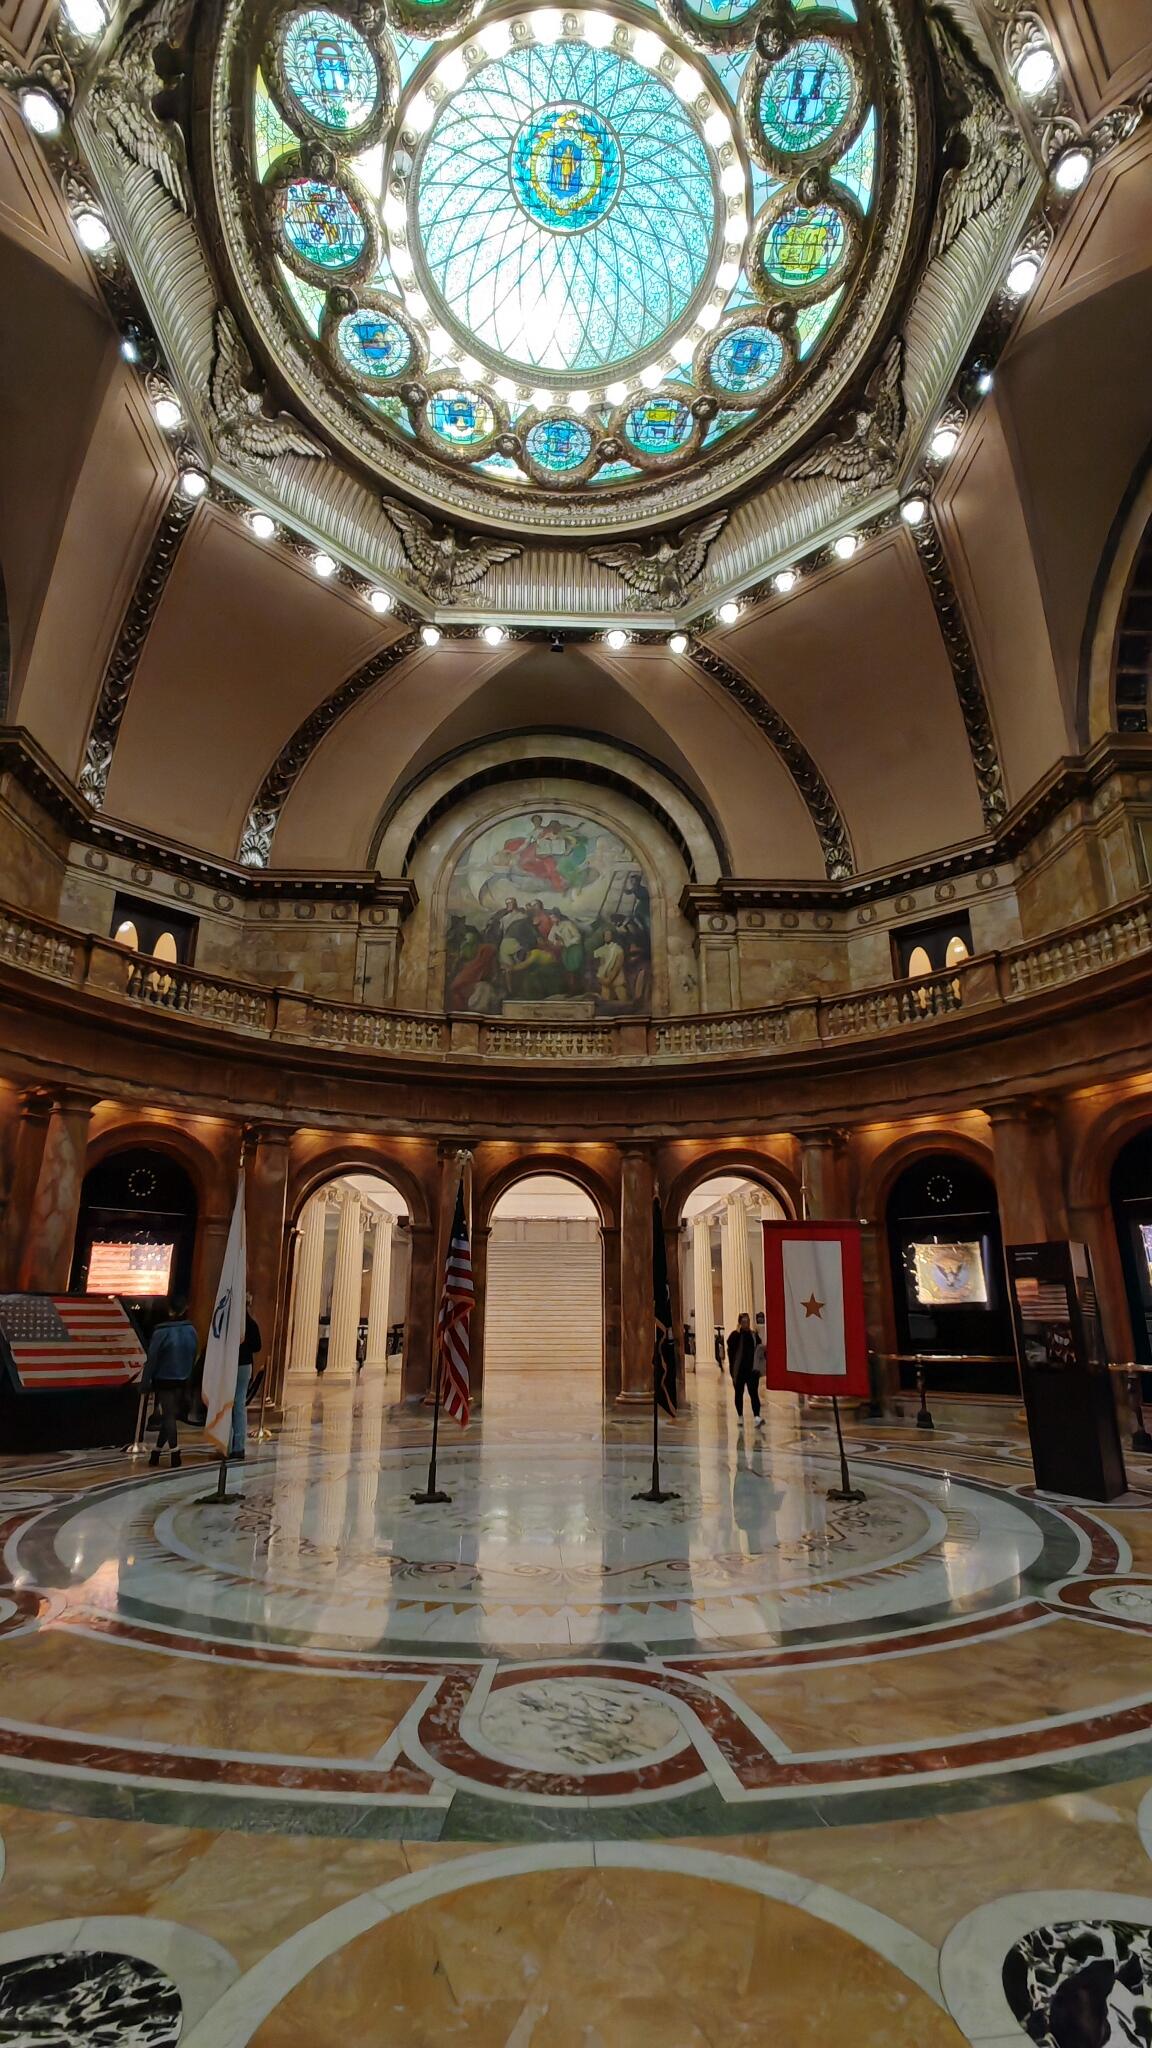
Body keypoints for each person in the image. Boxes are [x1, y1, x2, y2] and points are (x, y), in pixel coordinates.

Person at [142, 1297, 199, 1468]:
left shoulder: (161, 1332)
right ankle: (156, 1452)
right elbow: (193, 1354)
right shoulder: (191, 1330)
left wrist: (145, 1381)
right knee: (171, 1415)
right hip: (183, 1377)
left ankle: (175, 1451)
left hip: (164, 1378)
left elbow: (152, 1358)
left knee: (168, 1416)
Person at [229, 1294, 262, 1461]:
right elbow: (257, 1346)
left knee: (228, 1403)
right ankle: (239, 1446)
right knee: (240, 1404)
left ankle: (227, 1443)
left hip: (230, 1364)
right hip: (245, 1365)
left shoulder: (230, 1323)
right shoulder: (251, 1324)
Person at [726, 1311, 765, 1429]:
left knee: (754, 1393)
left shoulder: (753, 1335)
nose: (746, 1324)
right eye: (743, 1321)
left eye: (747, 1321)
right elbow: (730, 1348)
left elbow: (760, 1348)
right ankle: (740, 1416)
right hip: (739, 1370)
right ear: (739, 1323)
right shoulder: (735, 1336)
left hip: (751, 1370)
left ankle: (757, 1416)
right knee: (739, 1393)